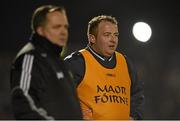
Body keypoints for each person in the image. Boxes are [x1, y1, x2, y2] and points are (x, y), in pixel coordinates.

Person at [64, 15, 144, 120]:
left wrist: (134, 117)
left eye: (116, 35)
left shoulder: (125, 63)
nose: (113, 40)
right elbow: (56, 95)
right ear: (92, 38)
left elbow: (137, 95)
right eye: (107, 35)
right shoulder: (76, 62)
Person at [10, 5, 82, 120]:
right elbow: (24, 103)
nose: (63, 32)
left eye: (65, 27)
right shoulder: (30, 57)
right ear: (40, 30)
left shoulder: (58, 61)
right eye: (57, 27)